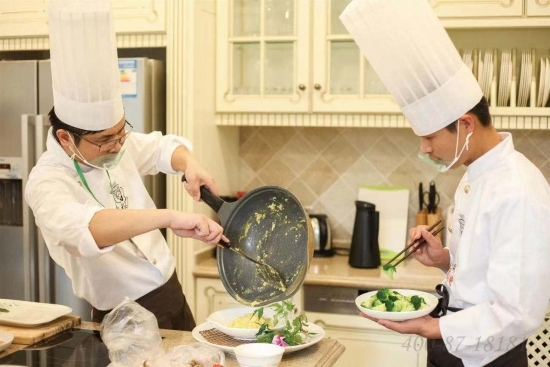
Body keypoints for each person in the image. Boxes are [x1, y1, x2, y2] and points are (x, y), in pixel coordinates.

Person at [340, 1, 550, 366]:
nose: (424, 148)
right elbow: (483, 269)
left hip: (489, 357)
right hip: (452, 344)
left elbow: (516, 312)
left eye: (429, 136)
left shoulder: (518, 190)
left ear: (466, 125)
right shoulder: (475, 173)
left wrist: (427, 327)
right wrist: (444, 259)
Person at [24, 0, 228, 331]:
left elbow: (164, 149)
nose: (119, 144)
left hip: (171, 294)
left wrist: (190, 164)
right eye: (106, 139)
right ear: (66, 137)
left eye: (122, 131)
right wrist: (168, 217)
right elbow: (88, 229)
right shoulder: (47, 183)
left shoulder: (117, 147)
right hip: (124, 318)